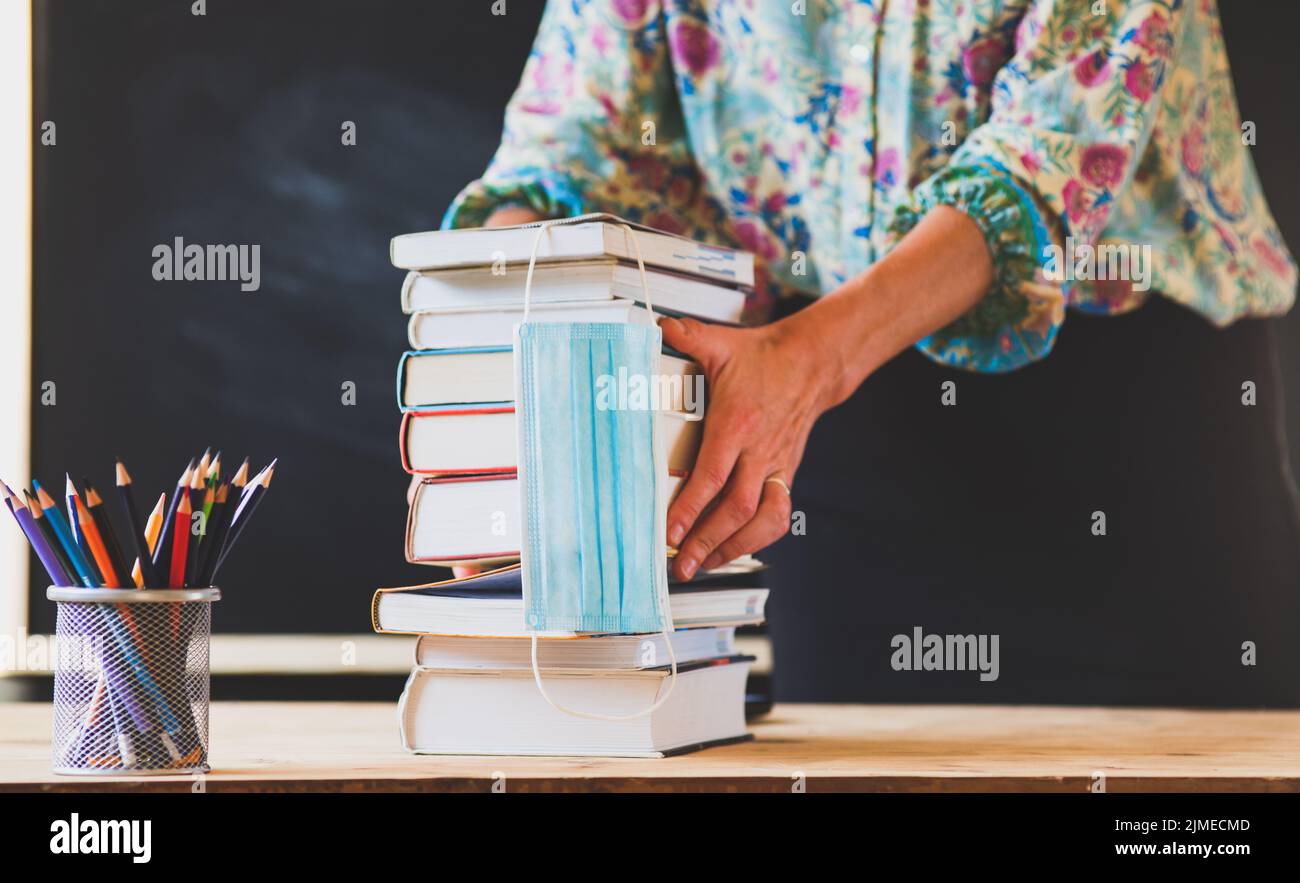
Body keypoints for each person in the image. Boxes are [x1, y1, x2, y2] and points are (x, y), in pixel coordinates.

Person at [444, 0, 1300, 705]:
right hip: (821, 441)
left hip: (1126, 425)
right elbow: (566, 159)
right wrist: (521, 375)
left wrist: (803, 365)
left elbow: (1039, 168)